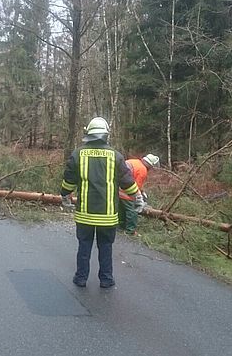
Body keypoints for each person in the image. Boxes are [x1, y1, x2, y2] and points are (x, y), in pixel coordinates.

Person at [60, 117, 143, 288]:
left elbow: (69, 180)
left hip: (85, 215)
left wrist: (65, 195)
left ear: (88, 133)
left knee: (84, 247)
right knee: (105, 247)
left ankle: (81, 278)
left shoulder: (78, 154)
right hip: (108, 216)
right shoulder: (115, 156)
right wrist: (138, 197)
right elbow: (127, 182)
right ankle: (106, 279)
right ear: (106, 134)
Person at [118, 153, 159, 235]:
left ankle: (120, 226)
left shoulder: (134, 161)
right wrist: (139, 198)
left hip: (118, 189)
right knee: (132, 210)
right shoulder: (142, 170)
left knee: (121, 208)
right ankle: (130, 230)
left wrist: (143, 191)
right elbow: (136, 186)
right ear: (150, 165)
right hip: (127, 192)